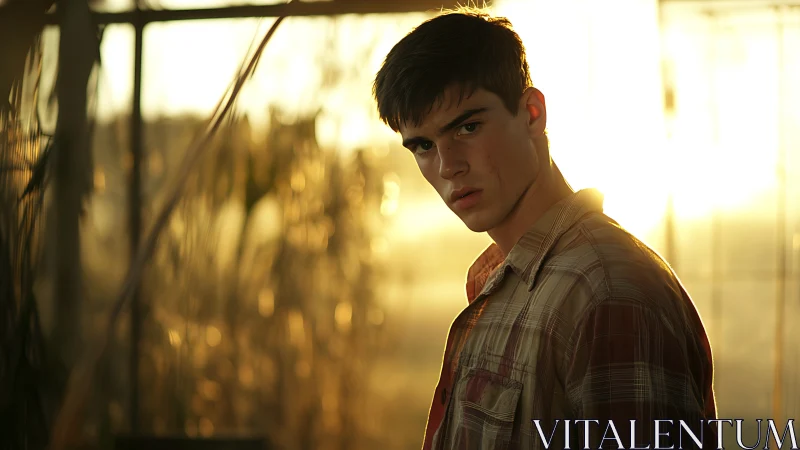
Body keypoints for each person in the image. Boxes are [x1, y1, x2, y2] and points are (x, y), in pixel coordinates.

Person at [372, 7, 717, 450]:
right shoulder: (505, 281)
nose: (447, 166)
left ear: (532, 114)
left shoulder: (610, 292)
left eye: (468, 127)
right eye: (423, 145)